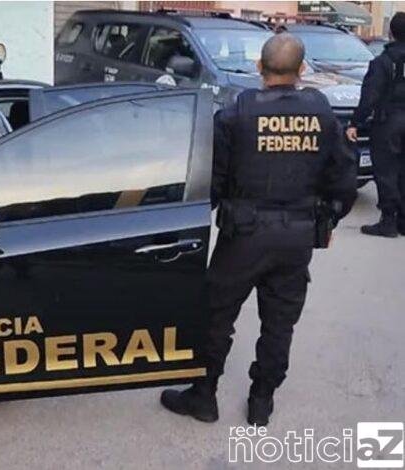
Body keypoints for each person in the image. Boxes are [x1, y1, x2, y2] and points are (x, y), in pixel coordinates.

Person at [160, 33, 358, 426]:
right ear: (302, 70)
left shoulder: (236, 114)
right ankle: (261, 402)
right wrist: (330, 219)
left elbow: (212, 181)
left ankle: (204, 396)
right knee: (279, 323)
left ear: (258, 67)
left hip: (243, 237)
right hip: (296, 237)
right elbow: (343, 178)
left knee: (216, 317)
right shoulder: (322, 114)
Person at [347, 12, 405, 237]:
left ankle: (388, 220)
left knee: (386, 171)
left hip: (389, 122)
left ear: (390, 33)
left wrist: (355, 122)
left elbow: (370, 96)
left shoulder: (383, 62)